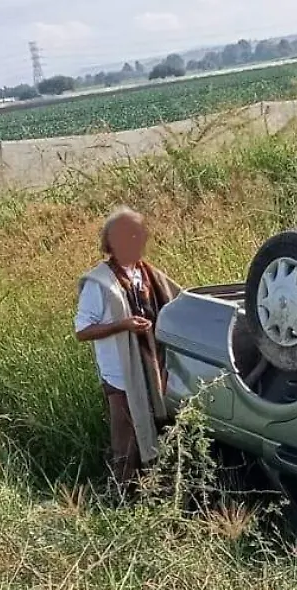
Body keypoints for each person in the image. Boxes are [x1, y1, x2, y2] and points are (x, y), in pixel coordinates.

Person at [74, 207, 181, 489]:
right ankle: (120, 497)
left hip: (153, 369)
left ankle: (154, 492)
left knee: (158, 431)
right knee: (126, 441)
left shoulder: (148, 273)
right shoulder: (99, 283)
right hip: (120, 375)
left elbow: (178, 301)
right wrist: (123, 325)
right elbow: (82, 332)